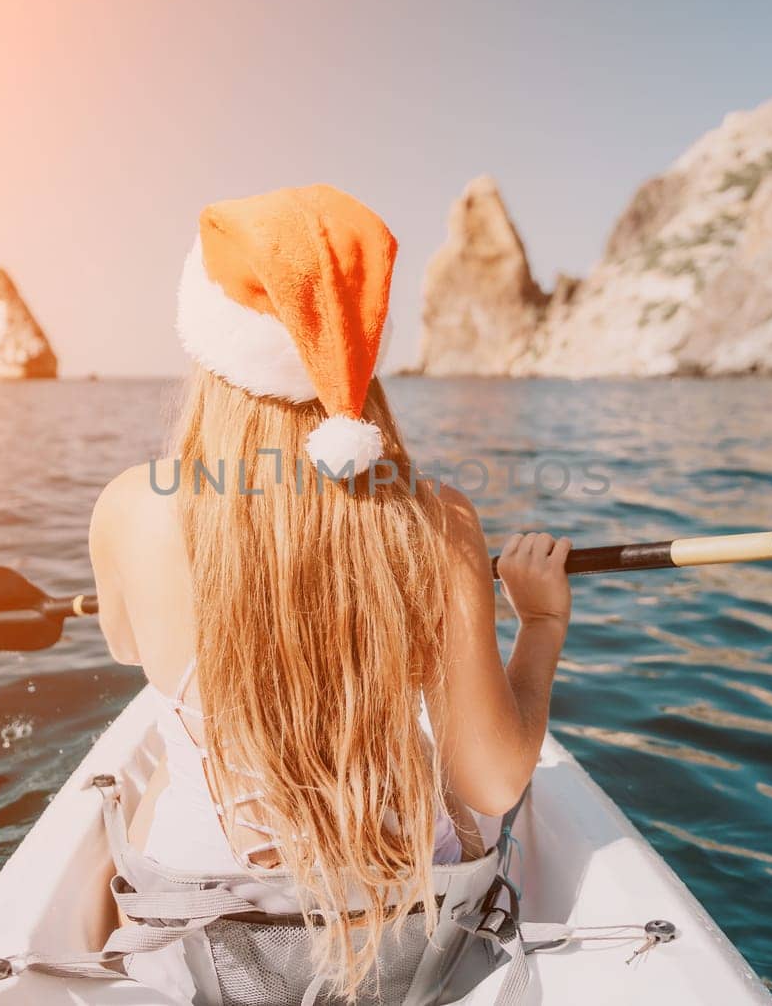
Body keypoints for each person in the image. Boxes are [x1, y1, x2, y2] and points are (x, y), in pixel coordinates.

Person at [88, 184, 571, 998]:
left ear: (210, 343)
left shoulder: (131, 505)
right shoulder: (440, 518)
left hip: (212, 922)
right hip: (406, 921)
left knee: (165, 775)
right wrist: (543, 620)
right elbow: (494, 783)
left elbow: (127, 646)